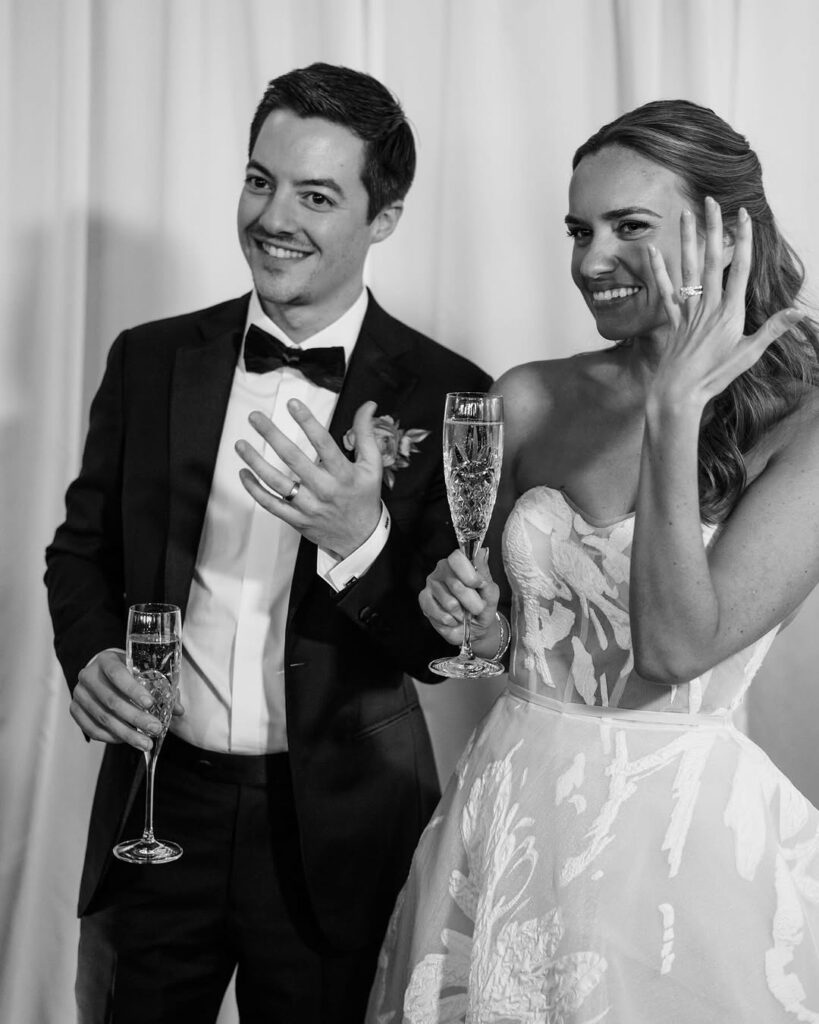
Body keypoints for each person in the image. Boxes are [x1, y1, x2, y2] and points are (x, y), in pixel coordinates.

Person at [45, 63, 490, 1024]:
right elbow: (78, 551)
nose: (273, 216)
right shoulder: (150, 358)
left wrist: (358, 537)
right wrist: (89, 654)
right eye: (260, 180)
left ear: (384, 218)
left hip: (340, 827)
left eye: (317, 196)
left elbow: (440, 653)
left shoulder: (447, 392)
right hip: (158, 810)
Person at [366, 99, 819, 1022]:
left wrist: (672, 413)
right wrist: (475, 618)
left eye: (629, 228)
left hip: (679, 852)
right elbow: (492, 642)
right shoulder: (532, 395)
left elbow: (673, 651)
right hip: (510, 809)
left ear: (725, 234)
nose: (590, 261)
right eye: (579, 230)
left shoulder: (803, 426)